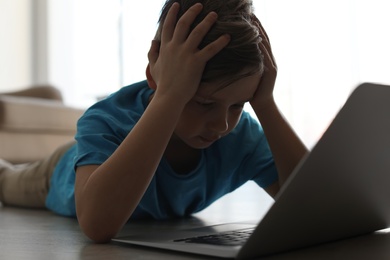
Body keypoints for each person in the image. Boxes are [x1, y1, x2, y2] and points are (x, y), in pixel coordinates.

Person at [0, 0, 308, 243]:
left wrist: (264, 103)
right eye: (203, 103)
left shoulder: (242, 137)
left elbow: (314, 207)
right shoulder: (106, 120)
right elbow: (97, 225)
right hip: (63, 171)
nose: (221, 125)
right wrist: (170, 97)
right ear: (154, 74)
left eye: (238, 105)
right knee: (6, 181)